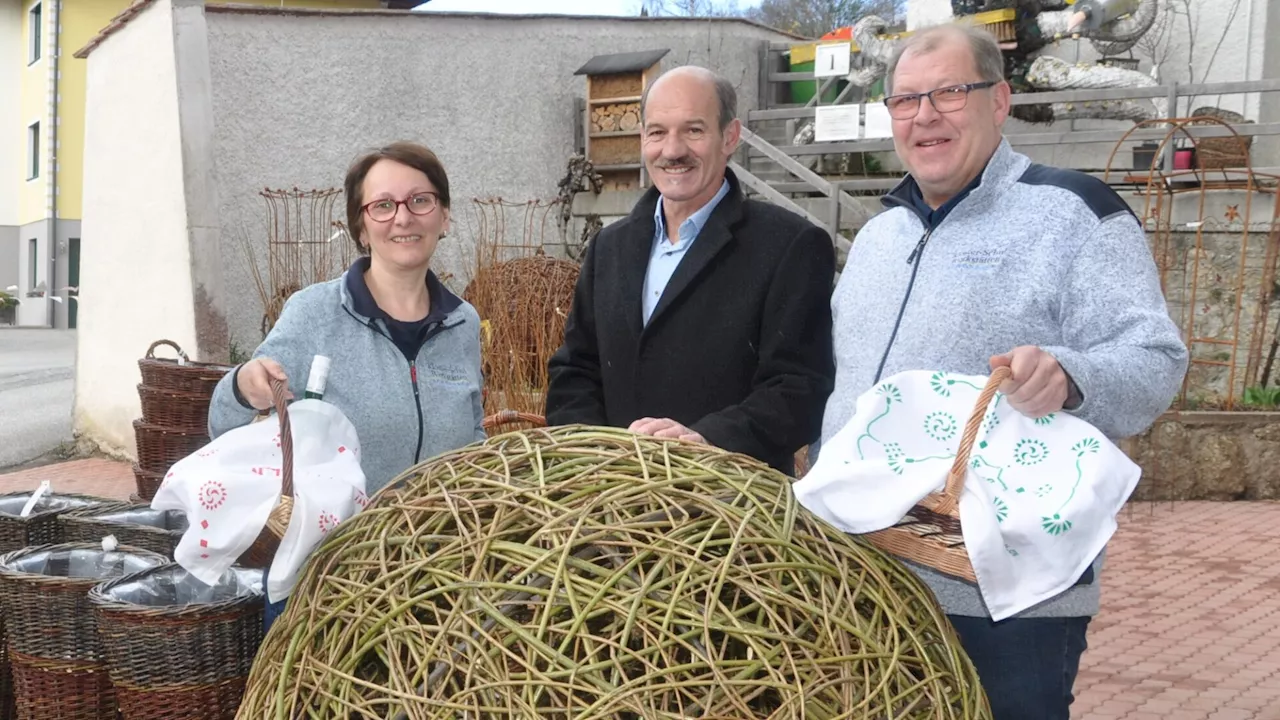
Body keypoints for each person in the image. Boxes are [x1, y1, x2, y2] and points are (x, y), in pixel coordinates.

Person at [819, 24, 1188, 720]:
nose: (924, 115)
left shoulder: (1075, 215)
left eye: (949, 93)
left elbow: (1156, 361)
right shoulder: (877, 237)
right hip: (867, 581)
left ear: (1000, 100)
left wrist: (1070, 376)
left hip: (1007, 601)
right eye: (905, 100)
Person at [207, 141, 486, 628]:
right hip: (328, 585)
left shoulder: (463, 323)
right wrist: (243, 387)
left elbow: (472, 436)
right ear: (360, 225)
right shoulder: (315, 313)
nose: (403, 218)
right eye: (382, 205)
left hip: (436, 580)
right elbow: (222, 425)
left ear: (444, 216)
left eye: (421, 200)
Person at [545, 65, 836, 475]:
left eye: (694, 130)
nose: (672, 150)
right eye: (657, 132)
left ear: (729, 137)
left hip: (731, 513)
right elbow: (574, 371)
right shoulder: (609, 248)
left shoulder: (789, 245)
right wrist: (602, 458)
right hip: (613, 505)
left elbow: (800, 389)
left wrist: (706, 441)